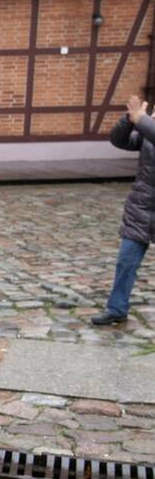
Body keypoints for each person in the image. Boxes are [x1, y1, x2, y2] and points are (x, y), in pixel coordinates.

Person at [91, 94, 154, 326]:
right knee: (126, 261)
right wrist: (129, 120)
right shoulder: (148, 133)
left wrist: (143, 119)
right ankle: (117, 308)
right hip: (141, 207)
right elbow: (120, 140)